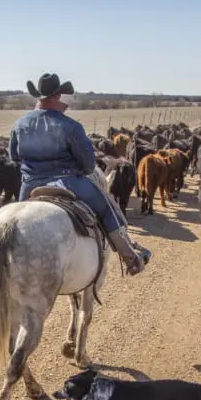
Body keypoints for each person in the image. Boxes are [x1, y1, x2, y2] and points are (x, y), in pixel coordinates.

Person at [9, 73, 149, 275]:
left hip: (29, 184)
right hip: (67, 182)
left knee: (13, 221)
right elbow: (89, 164)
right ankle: (130, 258)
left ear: (38, 97)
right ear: (58, 95)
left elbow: (14, 156)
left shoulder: (19, 124)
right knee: (106, 208)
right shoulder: (70, 126)